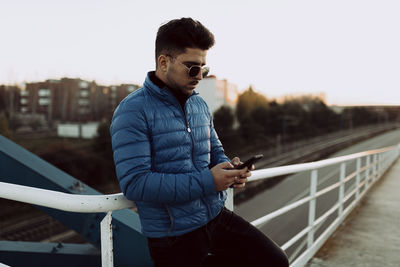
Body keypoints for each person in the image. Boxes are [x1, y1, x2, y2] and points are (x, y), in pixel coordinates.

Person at [110, 17, 288, 267]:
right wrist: (209, 181)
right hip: (173, 236)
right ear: (164, 62)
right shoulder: (132, 111)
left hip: (214, 216)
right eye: (192, 67)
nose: (200, 76)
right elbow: (136, 184)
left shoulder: (199, 103)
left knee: (274, 261)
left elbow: (214, 151)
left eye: (204, 68)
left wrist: (230, 169)